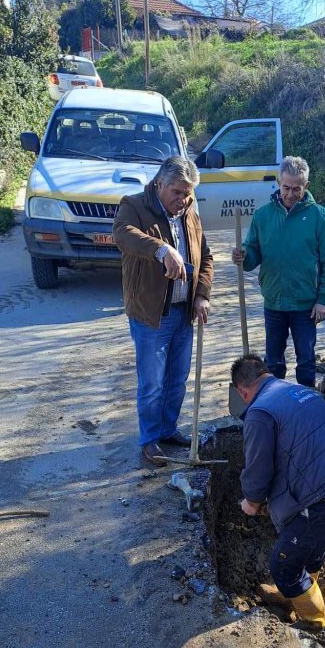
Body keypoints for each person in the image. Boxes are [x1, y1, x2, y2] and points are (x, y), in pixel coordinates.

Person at [231, 354, 325, 629]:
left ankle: (313, 619)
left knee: (283, 566)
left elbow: (258, 467)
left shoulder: (259, 411)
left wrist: (252, 501)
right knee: (309, 546)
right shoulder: (301, 391)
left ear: (242, 390)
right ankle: (300, 592)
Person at [113, 156, 213, 466]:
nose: (184, 200)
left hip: (183, 313)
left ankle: (169, 429)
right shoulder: (134, 205)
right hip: (151, 316)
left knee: (176, 379)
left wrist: (201, 296)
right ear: (160, 184)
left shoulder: (190, 213)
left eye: (188, 193)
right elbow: (123, 235)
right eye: (178, 193)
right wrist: (161, 249)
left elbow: (206, 258)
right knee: (152, 382)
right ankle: (150, 440)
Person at [231, 156, 325, 388]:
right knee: (274, 363)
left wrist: (322, 300)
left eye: (297, 189)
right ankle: (276, 407)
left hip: (306, 307)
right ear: (279, 183)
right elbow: (252, 254)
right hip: (274, 303)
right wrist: (243, 257)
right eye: (286, 188)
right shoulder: (263, 216)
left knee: (306, 362)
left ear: (306, 187)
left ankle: (306, 407)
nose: (290, 194)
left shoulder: (320, 217)